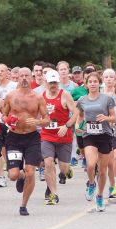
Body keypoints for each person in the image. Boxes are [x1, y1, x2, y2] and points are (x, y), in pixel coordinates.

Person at [2, 67, 49, 215]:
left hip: (32, 138)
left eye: (26, 76)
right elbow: (3, 115)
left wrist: (37, 122)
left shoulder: (38, 97)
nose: (23, 78)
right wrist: (9, 120)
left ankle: (23, 205)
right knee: (13, 175)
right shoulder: (10, 96)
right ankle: (20, 176)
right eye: (21, 76)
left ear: (32, 77)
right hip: (14, 138)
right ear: (17, 78)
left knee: (30, 172)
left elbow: (47, 120)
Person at [76, 72, 115, 211]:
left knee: (103, 171)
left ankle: (99, 196)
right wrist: (77, 126)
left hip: (104, 135)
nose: (92, 84)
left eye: (95, 81)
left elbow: (114, 117)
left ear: (99, 83)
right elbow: (80, 117)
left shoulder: (107, 99)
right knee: (91, 165)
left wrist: (106, 118)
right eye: (90, 81)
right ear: (86, 84)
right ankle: (92, 184)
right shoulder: (82, 100)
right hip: (89, 134)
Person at [41, 70, 78, 205]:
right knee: (48, 162)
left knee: (63, 168)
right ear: (46, 83)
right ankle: (53, 193)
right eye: (51, 83)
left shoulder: (65, 95)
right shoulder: (41, 97)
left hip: (63, 136)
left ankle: (67, 171)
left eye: (55, 82)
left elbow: (75, 113)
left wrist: (67, 126)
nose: (53, 85)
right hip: (47, 136)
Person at [0, 63, 18, 188]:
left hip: (11, 121)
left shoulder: (13, 86)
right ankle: (1, 176)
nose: (0, 73)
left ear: (7, 73)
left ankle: (15, 168)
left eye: (2, 71)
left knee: (9, 149)